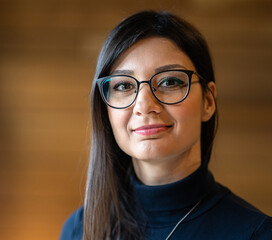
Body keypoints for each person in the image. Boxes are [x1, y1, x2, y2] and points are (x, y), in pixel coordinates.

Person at [59, 10, 272, 240]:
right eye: (123, 86)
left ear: (208, 102)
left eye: (170, 82)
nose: (144, 105)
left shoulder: (256, 233)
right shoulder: (78, 229)